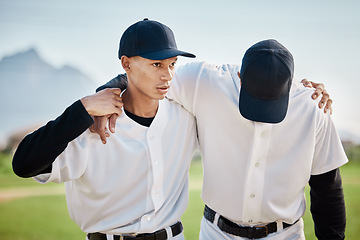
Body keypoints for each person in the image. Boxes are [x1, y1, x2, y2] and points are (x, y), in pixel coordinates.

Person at [95, 39, 347, 239]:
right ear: (239, 76)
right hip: (217, 233)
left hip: (286, 235)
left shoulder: (313, 106)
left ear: (291, 84)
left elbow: (328, 189)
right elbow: (145, 78)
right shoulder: (206, 82)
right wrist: (106, 96)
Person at [12, 19, 198, 240]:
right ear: (126, 64)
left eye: (172, 64)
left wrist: (115, 85)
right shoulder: (90, 127)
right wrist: (82, 108)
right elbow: (24, 164)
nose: (167, 75)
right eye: (156, 64)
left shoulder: (185, 115)